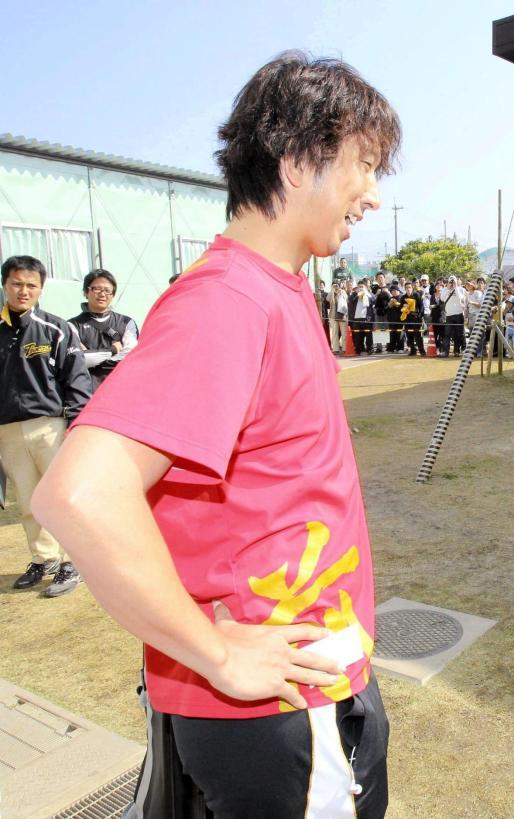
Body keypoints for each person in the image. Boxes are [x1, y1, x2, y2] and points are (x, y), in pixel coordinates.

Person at [33, 53, 401, 817]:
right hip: (279, 711)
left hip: (305, 691)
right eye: (363, 165)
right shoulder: (230, 299)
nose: (372, 192)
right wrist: (215, 651)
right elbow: (80, 492)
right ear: (297, 162)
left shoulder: (278, 288)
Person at [1, 255, 93, 597]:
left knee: (60, 498)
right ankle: (44, 558)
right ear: (5, 285)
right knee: (28, 502)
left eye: (31, 285)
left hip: (50, 426)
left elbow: (77, 378)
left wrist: (76, 422)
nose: (23, 291)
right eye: (16, 284)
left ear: (41, 289)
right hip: (8, 430)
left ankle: (73, 561)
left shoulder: (56, 329)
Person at [69, 269, 139, 390]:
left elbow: (130, 355)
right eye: (97, 289)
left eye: (107, 290)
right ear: (86, 292)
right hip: (87, 391)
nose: (102, 294)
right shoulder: (71, 325)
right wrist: (113, 350)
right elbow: (78, 360)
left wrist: (92, 357)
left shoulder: (126, 322)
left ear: (113, 295)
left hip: (120, 388)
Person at [440, 276, 466, 356]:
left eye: (453, 281)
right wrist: (448, 288)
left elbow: (460, 298)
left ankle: (456, 351)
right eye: (450, 282)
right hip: (449, 315)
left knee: (458, 334)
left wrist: (456, 287)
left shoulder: (461, 289)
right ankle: (446, 352)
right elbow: (442, 299)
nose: (451, 283)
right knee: (447, 334)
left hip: (459, 314)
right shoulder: (445, 289)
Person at [349, 278, 374, 354]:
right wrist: (356, 294)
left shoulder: (369, 294)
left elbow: (373, 301)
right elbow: (351, 301)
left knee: (368, 334)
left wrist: (366, 293)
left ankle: (369, 348)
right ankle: (359, 349)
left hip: (367, 318)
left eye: (362, 286)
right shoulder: (354, 294)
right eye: (359, 286)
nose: (360, 288)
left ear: (365, 287)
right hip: (356, 318)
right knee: (358, 335)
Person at [400, 281, 425, 356]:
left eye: (410, 287)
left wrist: (420, 316)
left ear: (412, 288)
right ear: (405, 289)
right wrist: (403, 308)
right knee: (409, 335)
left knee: (418, 336)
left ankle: (422, 351)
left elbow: (421, 306)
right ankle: (413, 350)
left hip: (416, 318)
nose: (408, 289)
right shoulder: (403, 297)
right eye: (407, 288)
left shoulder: (416, 295)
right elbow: (401, 308)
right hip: (407, 319)